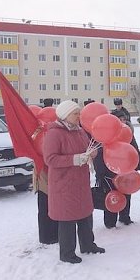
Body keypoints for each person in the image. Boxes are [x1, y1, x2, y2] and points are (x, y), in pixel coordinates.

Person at [43, 100, 105, 264]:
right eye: (75, 113)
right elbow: (50, 159)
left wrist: (92, 154)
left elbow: (88, 149)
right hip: (63, 184)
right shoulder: (54, 133)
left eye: (79, 113)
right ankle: (67, 253)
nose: (79, 116)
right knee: (67, 218)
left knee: (85, 214)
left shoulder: (80, 131)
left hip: (81, 181)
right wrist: (75, 159)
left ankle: (88, 244)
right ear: (65, 115)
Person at [93, 108, 140, 228]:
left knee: (127, 192)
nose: (123, 122)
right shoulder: (105, 133)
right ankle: (110, 222)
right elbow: (98, 154)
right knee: (111, 195)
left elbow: (134, 149)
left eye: (124, 119)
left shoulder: (127, 133)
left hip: (126, 168)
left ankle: (125, 216)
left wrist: (139, 162)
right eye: (120, 119)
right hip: (108, 170)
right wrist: (100, 171)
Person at [33, 169, 59, 245]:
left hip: (46, 175)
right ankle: (49, 236)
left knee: (47, 207)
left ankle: (48, 236)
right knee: (46, 206)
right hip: (45, 176)